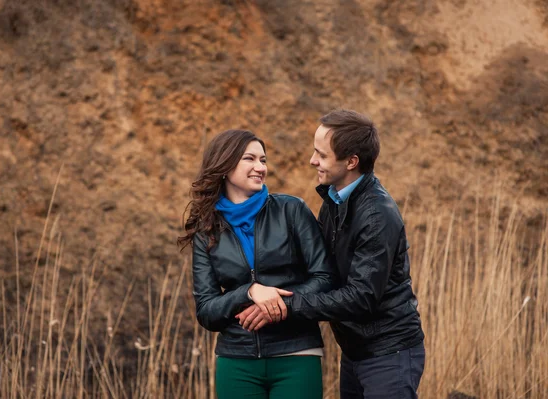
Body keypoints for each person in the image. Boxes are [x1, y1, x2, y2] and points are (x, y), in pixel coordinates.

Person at [237, 110, 425, 399]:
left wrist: (287, 306)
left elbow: (361, 297)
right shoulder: (335, 200)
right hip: (355, 351)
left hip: (389, 352)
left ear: (351, 162)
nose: (313, 161)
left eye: (322, 155)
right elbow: (319, 268)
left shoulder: (376, 216)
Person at [178, 129, 337, 399]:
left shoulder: (292, 210)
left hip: (296, 353)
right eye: (249, 159)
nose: (260, 167)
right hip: (236, 361)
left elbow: (326, 279)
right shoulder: (207, 229)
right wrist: (249, 292)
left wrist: (277, 306)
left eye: (263, 160)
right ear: (225, 166)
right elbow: (206, 310)